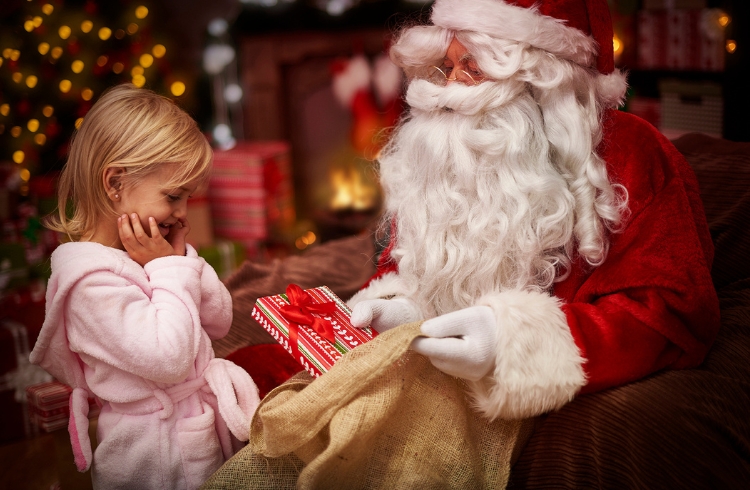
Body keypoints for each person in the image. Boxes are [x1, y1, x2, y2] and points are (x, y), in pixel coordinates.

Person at [349, 0, 720, 420]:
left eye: (473, 66)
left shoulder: (629, 149)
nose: (449, 88)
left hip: (548, 393)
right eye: (444, 67)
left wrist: (510, 343)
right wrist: (403, 308)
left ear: (541, 76)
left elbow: (670, 312)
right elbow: (405, 258)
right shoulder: (441, 148)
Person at [30, 83, 260, 489]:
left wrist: (180, 259)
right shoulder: (90, 285)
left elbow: (219, 318)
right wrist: (167, 268)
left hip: (194, 428)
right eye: (173, 196)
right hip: (153, 456)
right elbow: (168, 358)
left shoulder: (155, 257)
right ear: (115, 184)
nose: (182, 212)